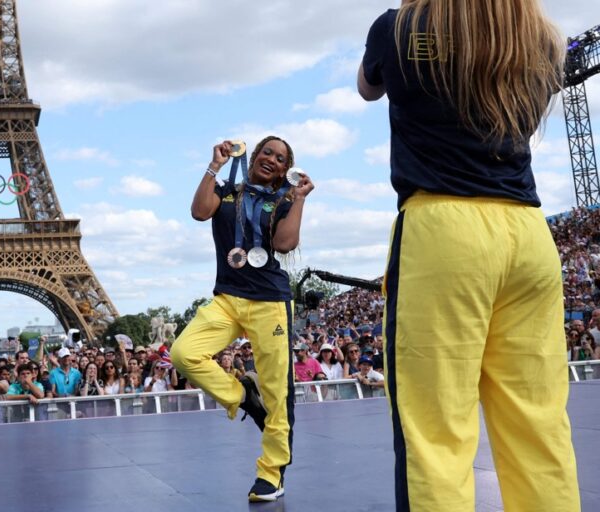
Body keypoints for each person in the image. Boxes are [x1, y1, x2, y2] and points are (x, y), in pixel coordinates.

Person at [358, 1, 580, 510]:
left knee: (436, 434)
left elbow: (369, 87)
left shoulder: (398, 27)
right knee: (538, 425)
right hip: (527, 233)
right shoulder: (542, 38)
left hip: (443, 230)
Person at [171, 136, 314, 502]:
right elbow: (200, 212)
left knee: (278, 395)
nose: (272, 159)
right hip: (228, 298)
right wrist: (214, 165)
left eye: (281, 158)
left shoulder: (282, 199)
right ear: (253, 157)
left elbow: (284, 244)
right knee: (183, 354)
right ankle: (242, 395)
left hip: (270, 302)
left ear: (285, 170)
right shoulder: (227, 189)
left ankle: (271, 472)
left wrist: (298, 200)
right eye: (267, 151)